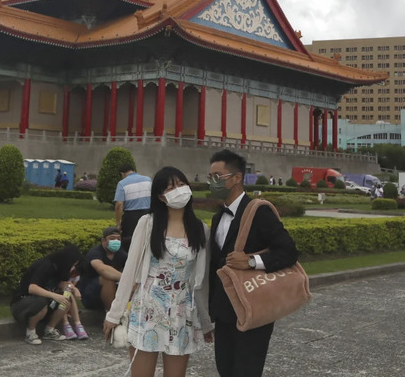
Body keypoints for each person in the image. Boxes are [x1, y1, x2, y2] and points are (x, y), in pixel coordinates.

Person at [103, 167, 211, 377]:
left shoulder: (200, 229)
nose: (178, 191)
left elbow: (201, 281)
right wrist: (114, 314)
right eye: (170, 188)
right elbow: (130, 271)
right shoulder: (148, 224)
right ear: (161, 196)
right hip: (148, 309)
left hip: (181, 312)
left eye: (181, 185)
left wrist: (205, 322)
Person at [207, 150, 299, 377]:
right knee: (225, 369)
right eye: (210, 177)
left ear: (237, 178)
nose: (212, 182)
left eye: (218, 176)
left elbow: (288, 251)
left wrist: (251, 261)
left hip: (253, 307)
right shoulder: (218, 217)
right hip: (223, 310)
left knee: (247, 371)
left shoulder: (259, 211)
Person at [11, 244, 81, 345]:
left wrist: (73, 289)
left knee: (66, 300)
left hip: (44, 300)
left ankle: (49, 330)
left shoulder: (59, 268)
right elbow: (32, 288)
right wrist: (54, 296)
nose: (73, 268)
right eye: (72, 265)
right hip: (22, 303)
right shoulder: (45, 265)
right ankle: (30, 332)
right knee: (41, 302)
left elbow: (60, 283)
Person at [80, 226, 126, 312]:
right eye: (112, 239)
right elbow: (102, 269)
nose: (116, 241)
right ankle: (111, 313)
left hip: (113, 292)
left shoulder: (121, 254)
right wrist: (126, 278)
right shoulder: (95, 253)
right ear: (103, 241)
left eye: (118, 239)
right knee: (107, 278)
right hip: (91, 294)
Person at [115, 164, 152, 252]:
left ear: (122, 174)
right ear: (134, 170)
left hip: (131, 217)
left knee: (129, 242)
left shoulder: (122, 183)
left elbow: (119, 204)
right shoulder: (148, 180)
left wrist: (118, 223)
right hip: (148, 213)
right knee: (147, 239)